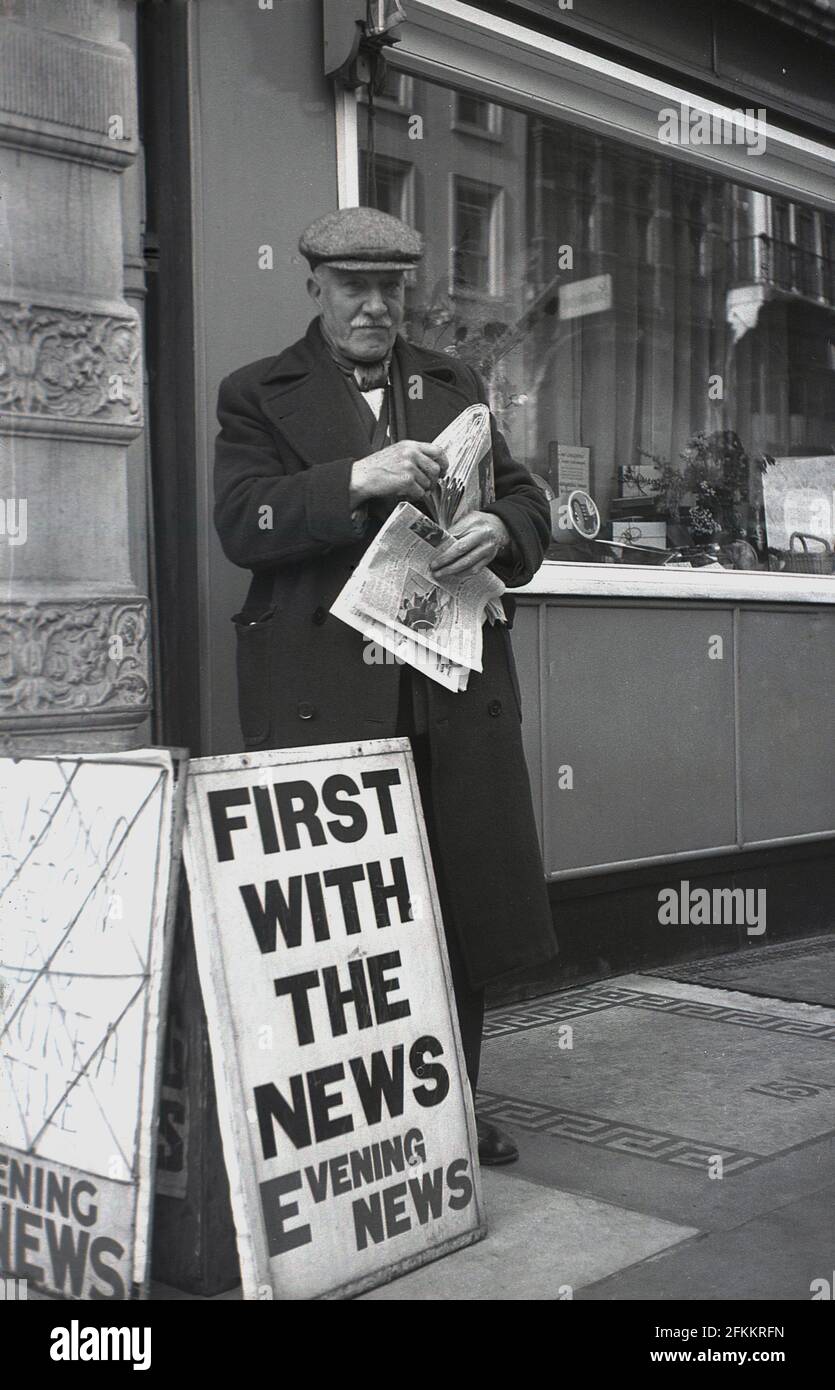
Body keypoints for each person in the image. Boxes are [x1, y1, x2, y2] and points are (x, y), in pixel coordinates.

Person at [214, 207, 556, 1165]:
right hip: (326, 691)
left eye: (390, 289)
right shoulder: (254, 393)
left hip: (446, 687)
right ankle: (352, 1125)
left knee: (457, 899)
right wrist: (354, 478)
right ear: (313, 286)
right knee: (347, 913)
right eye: (352, 288)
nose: (374, 307)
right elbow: (243, 525)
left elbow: (521, 494)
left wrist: (507, 532)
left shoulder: (452, 382)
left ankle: (451, 1105)